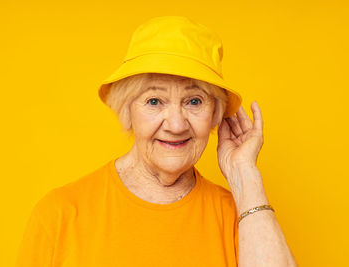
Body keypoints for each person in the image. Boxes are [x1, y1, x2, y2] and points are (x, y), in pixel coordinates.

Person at [15, 16, 298, 266]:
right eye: (154, 101)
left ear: (215, 115)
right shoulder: (60, 214)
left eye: (194, 101)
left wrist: (246, 177)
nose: (175, 125)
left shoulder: (241, 216)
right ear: (127, 110)